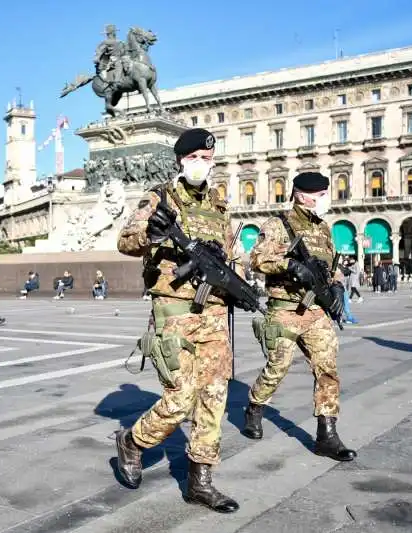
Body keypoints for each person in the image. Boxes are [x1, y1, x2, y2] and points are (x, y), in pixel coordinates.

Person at [113, 127, 240, 513]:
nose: (203, 165)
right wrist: (150, 234)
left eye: (208, 159)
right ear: (181, 161)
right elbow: (126, 241)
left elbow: (230, 252)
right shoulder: (161, 196)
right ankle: (133, 441)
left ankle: (200, 479)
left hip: (215, 310)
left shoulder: (219, 204)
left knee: (214, 398)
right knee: (181, 400)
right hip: (175, 310)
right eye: (195, 159)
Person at [242, 171, 356, 463]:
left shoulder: (324, 229)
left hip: (316, 310)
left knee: (327, 368)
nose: (323, 200)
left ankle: (327, 435)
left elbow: (330, 266)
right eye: (319, 196)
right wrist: (291, 266)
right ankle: (255, 406)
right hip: (285, 308)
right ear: (302, 195)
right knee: (278, 367)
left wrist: (337, 283)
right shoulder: (278, 225)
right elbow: (257, 259)